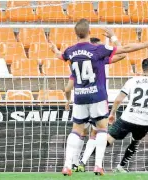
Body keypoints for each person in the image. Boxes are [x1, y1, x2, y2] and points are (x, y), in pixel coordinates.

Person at [50, 18, 148, 176]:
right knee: (101, 129)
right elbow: (123, 50)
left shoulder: (70, 51)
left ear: (76, 34)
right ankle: (98, 166)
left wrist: (54, 50)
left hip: (80, 96)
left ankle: (67, 165)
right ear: (89, 32)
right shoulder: (97, 50)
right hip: (97, 96)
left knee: (76, 130)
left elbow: (60, 56)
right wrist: (146, 44)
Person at [64, 36, 127, 172]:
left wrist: (68, 100)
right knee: (98, 131)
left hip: (80, 100)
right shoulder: (99, 60)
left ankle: (73, 163)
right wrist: (114, 37)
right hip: (97, 99)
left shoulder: (77, 64)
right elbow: (123, 54)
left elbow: (68, 88)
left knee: (80, 131)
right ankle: (90, 163)